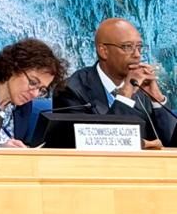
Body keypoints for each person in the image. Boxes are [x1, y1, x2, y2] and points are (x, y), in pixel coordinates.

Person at [53, 18, 177, 149]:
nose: (137, 55)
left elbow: (171, 144)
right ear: (103, 51)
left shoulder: (142, 89)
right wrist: (124, 97)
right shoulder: (71, 89)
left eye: (139, 47)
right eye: (127, 47)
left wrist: (157, 99)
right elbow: (86, 144)